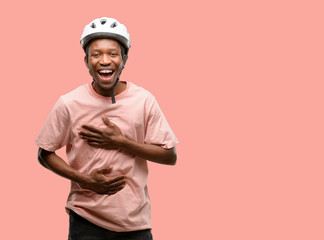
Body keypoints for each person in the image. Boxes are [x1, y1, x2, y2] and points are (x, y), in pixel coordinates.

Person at [35, 17, 178, 240]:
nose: (104, 60)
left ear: (124, 60)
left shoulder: (144, 100)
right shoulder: (69, 103)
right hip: (86, 219)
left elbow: (170, 156)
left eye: (112, 54)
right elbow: (44, 153)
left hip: (135, 224)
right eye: (96, 54)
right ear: (86, 61)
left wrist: (121, 142)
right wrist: (84, 179)